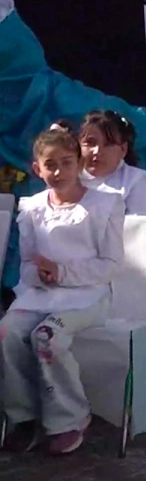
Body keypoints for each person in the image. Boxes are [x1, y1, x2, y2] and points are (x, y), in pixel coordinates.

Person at [0, 122, 125, 455]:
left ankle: (70, 418)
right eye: (50, 164)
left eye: (67, 162)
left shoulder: (103, 205)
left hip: (88, 296)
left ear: (78, 163)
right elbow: (27, 264)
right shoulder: (32, 209)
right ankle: (23, 416)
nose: (58, 171)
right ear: (37, 168)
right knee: (7, 332)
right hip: (42, 293)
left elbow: (110, 264)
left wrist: (64, 272)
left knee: (46, 336)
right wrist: (41, 276)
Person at [78, 109, 146, 216]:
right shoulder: (65, 176)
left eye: (108, 144)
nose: (97, 151)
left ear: (123, 149)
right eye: (90, 143)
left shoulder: (135, 180)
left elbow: (142, 228)